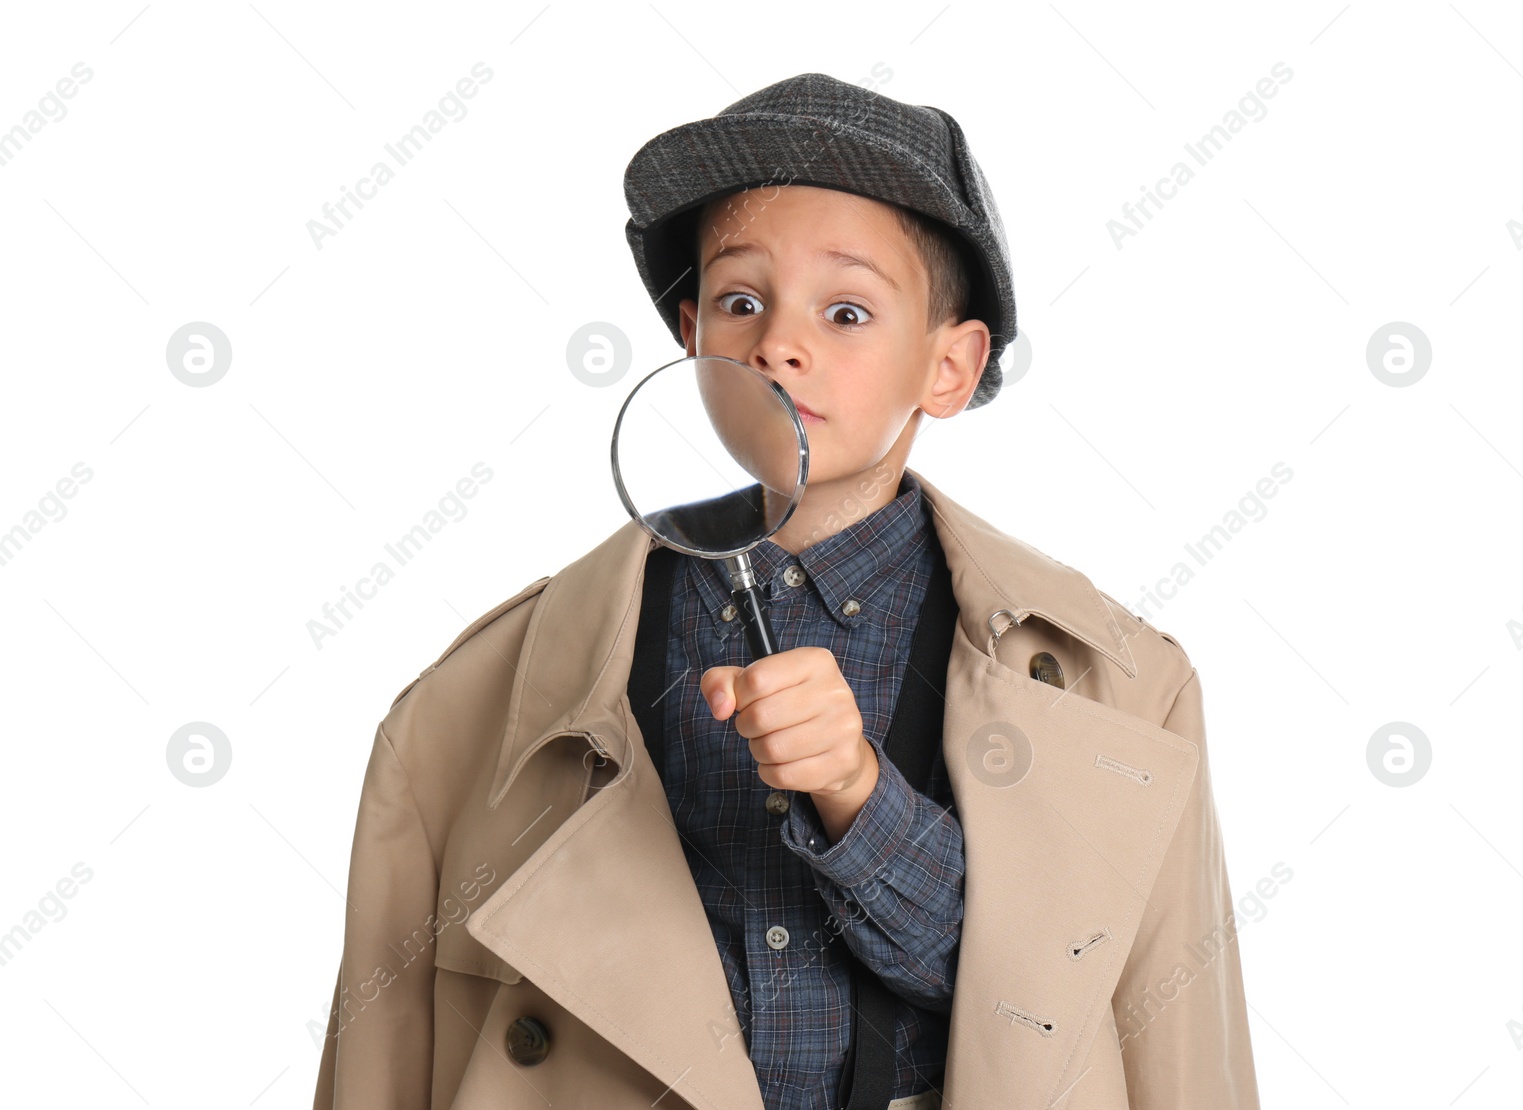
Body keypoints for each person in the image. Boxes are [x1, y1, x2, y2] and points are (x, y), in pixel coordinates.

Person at [313, 72, 1260, 1110]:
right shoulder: (467, 711)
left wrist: (856, 793)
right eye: (738, 301)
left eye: (846, 310)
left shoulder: (1122, 688)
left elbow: (1104, 1032)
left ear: (948, 367)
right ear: (691, 339)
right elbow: (380, 1060)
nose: (777, 344)